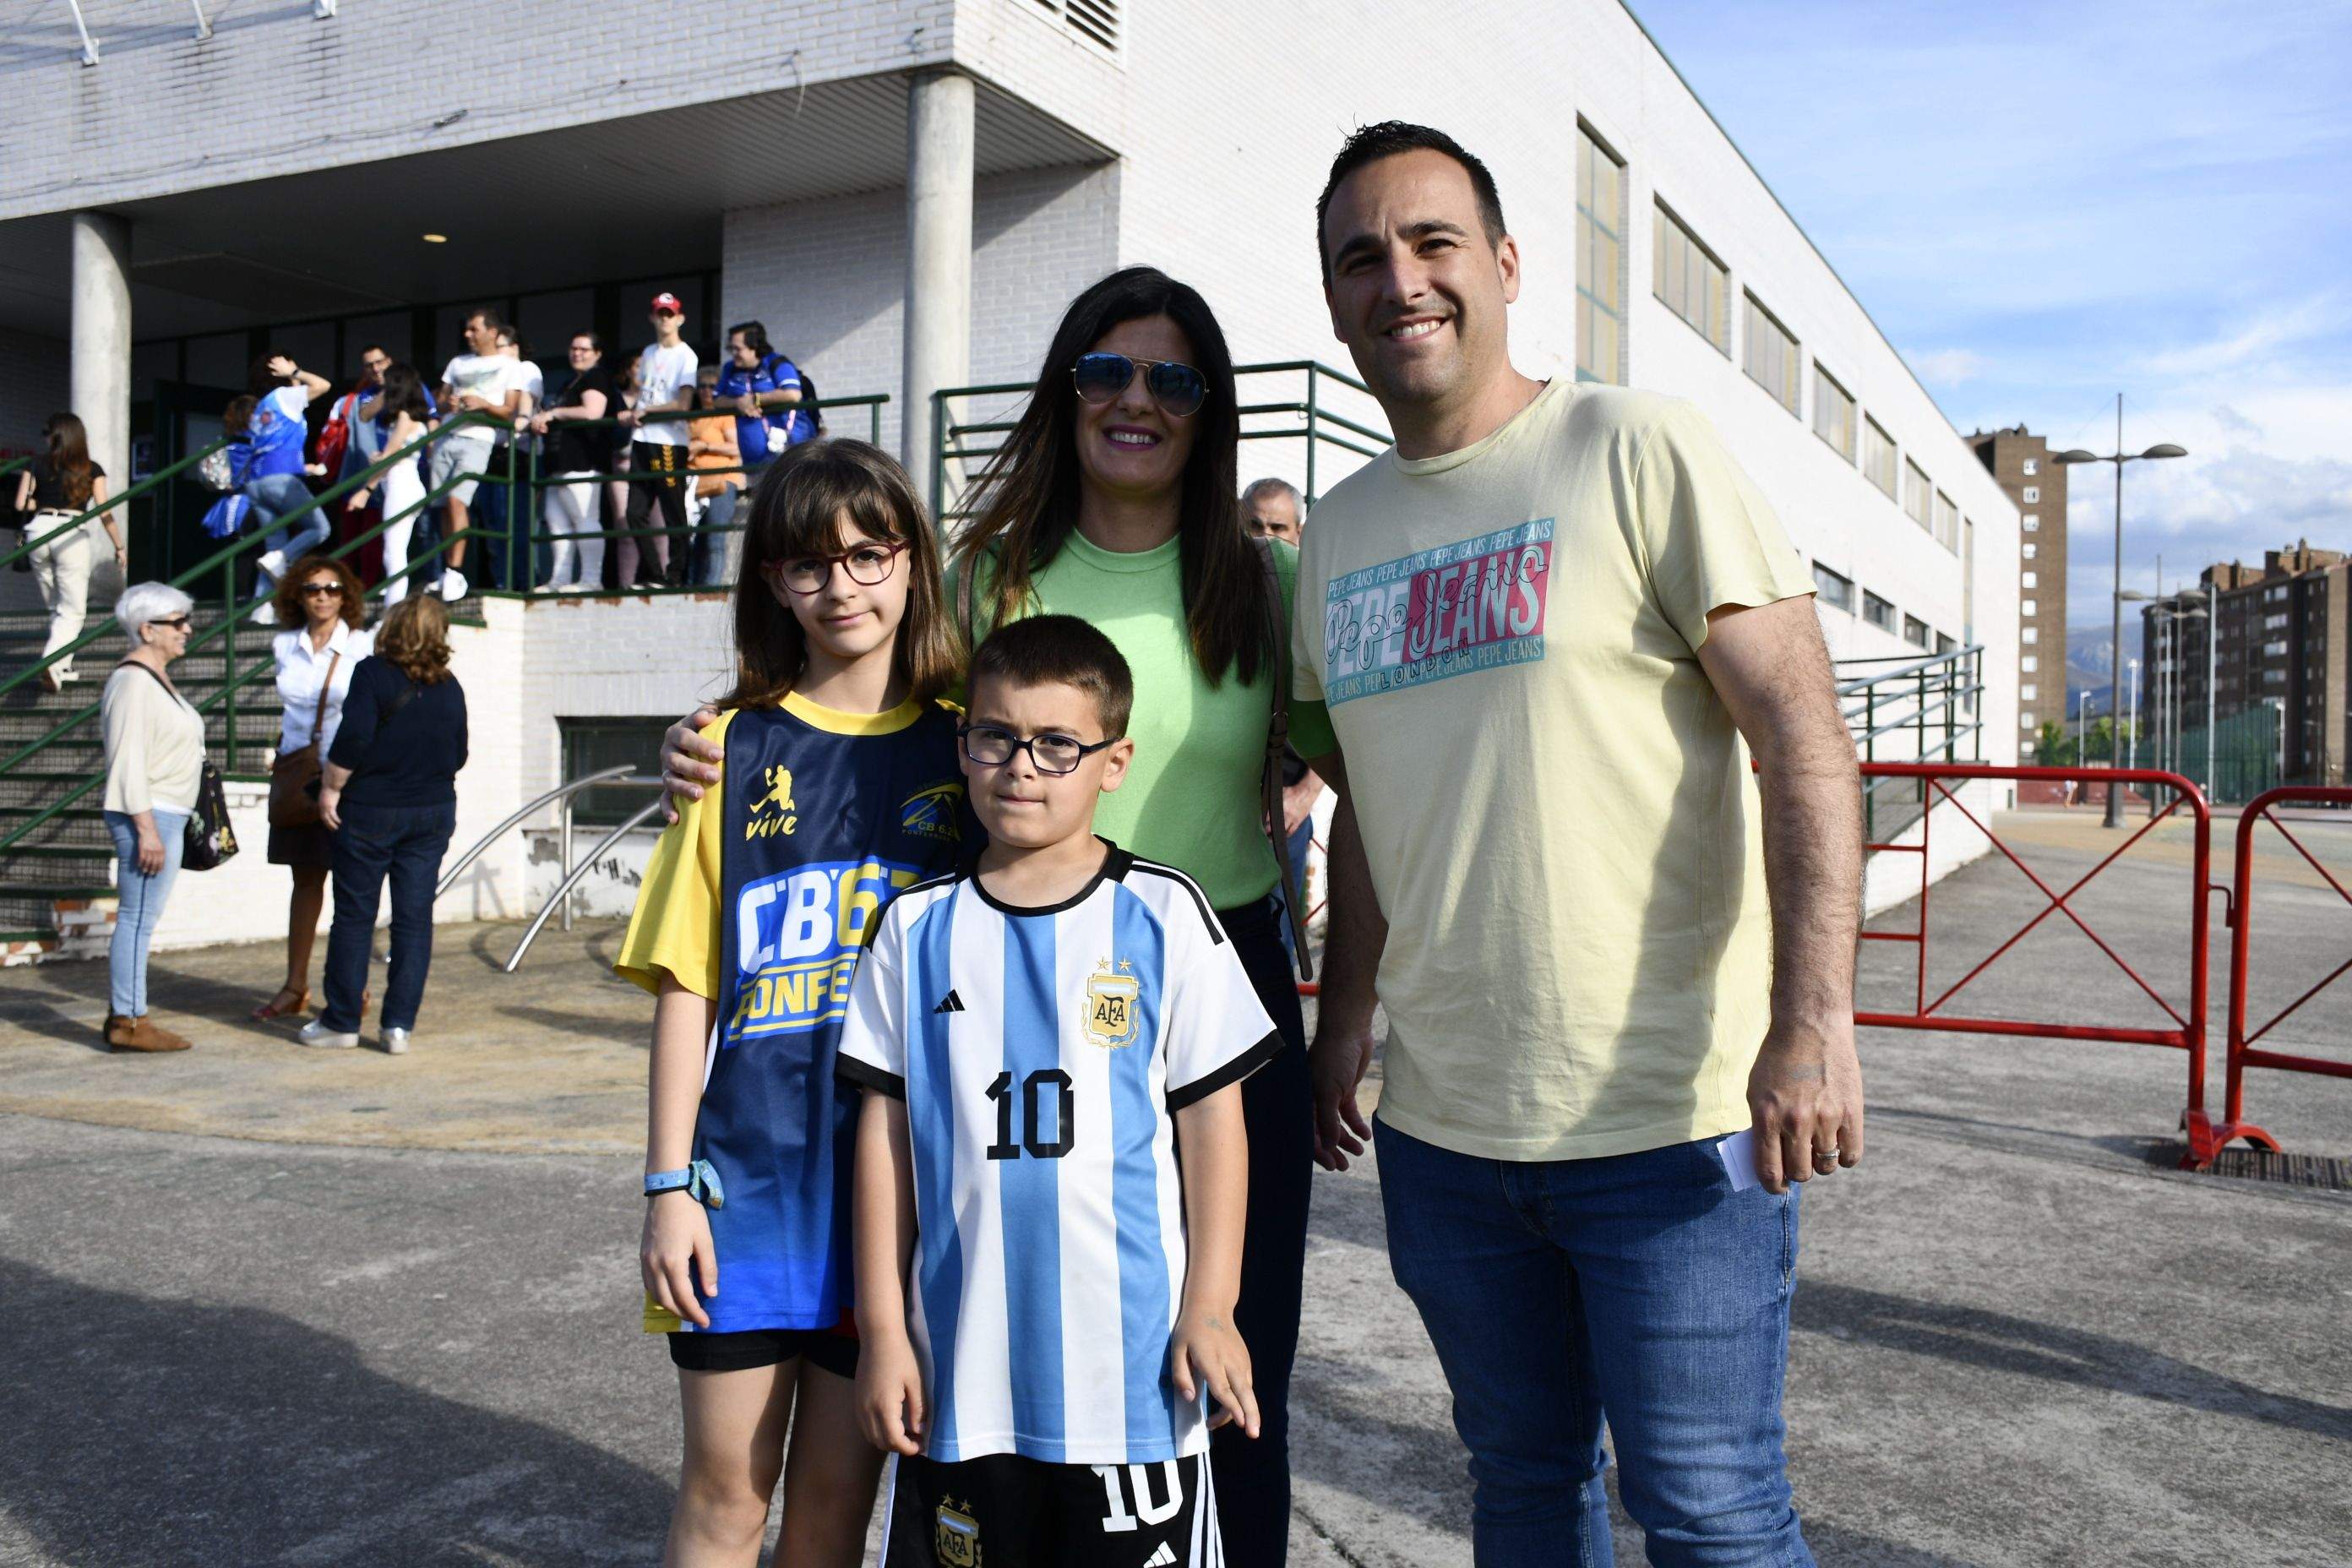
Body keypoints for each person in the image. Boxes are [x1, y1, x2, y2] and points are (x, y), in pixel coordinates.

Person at [664, 266, 1330, 1568]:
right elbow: (858, 695)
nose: (1137, 400)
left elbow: (1360, 770)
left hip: (1212, 985)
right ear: (1065, 389)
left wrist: (1350, 997)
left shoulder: (1263, 582)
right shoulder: (990, 574)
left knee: (1229, 1362)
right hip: (1006, 980)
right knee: (996, 1349)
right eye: (1107, 371)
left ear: (1211, 409)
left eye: (1173, 379)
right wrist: (719, 730)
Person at [1297, 122, 1865, 1566]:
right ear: (1330, 295)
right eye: (1359, 257)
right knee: (1520, 1486)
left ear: (1501, 264)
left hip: (1668, 1126)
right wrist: (1343, 1018)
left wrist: (1810, 1023)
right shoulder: (1337, 535)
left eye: (1430, 243)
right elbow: (1364, 797)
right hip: (1445, 1134)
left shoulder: (1634, 445)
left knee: (1710, 1513)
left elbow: (1799, 738)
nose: (1398, 281)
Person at [840, 612, 1274, 1566]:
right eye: (996, 736)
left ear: (1111, 762)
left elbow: (1213, 1127)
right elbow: (883, 1141)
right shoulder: (913, 930)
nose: (1021, 766)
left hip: (1132, 1391)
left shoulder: (1164, 913)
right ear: (965, 744)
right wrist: (882, 1329)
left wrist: (1212, 1303)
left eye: (1056, 744)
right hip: (960, 1383)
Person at [616, 439, 967, 1567]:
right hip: (750, 1193)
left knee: (830, 1520)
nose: (843, 585)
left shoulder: (973, 750)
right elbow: (688, 985)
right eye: (811, 563)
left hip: (906, 1203)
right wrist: (669, 1188)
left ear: (913, 562)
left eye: (870, 554)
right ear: (772, 581)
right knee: (726, 1504)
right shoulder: (728, 747)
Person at [300, 594, 468, 1054]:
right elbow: (459, 754)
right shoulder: (450, 686)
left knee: (355, 917)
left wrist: (331, 788)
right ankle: (398, 1027)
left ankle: (341, 1021)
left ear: (392, 628)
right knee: (414, 920)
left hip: (372, 810)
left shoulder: (372, 674)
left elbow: (352, 737)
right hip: (432, 812)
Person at [253, 553, 373, 1023]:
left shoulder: (363, 646)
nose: (322, 596)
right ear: (297, 597)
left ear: (346, 596)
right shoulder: (285, 646)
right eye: (311, 589)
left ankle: (352, 988)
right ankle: (294, 984)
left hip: (346, 778)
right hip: (298, 775)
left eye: (332, 588)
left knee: (353, 885)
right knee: (303, 882)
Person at [98, 582, 206, 1054]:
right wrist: (146, 830)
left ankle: (131, 1014)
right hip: (151, 814)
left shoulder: (155, 679)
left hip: (167, 813)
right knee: (137, 917)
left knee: (142, 917)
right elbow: (127, 759)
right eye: (177, 622)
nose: (187, 630)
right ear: (147, 629)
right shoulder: (133, 681)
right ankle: (129, 1020)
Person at [1241, 478, 1320, 956]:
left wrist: (1303, 795)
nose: (1264, 537)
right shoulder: (1215, 599)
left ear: (1299, 533)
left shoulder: (1313, 604)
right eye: (1254, 524)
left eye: (1277, 526)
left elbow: (1342, 712)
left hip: (1283, 815)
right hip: (1221, 812)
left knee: (1277, 955)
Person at [14, 411, 125, 691]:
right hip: (70, 533)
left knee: (56, 605)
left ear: (55, 437)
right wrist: (119, 546)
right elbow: (103, 511)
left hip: (38, 530)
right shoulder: (91, 468)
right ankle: (52, 663)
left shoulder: (35, 464)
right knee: (73, 610)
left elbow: (20, 505)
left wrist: (40, 506)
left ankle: (63, 666)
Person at [433, 306, 521, 602]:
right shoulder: (457, 362)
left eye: (474, 329)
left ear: (492, 332)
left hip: (478, 439)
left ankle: (456, 572)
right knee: (444, 505)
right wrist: (451, 403)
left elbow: (510, 411)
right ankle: (448, 570)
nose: (468, 334)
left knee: (459, 501)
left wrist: (482, 403)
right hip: (447, 436)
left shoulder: (509, 366)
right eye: (467, 329)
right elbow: (440, 402)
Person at [619, 292, 699, 588]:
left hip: (669, 440)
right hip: (643, 437)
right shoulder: (650, 352)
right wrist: (632, 414)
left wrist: (647, 410)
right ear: (652, 317)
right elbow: (645, 394)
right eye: (660, 313)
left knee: (672, 510)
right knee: (634, 512)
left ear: (679, 318)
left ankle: (675, 576)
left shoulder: (686, 355)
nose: (664, 319)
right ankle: (653, 573)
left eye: (670, 314)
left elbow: (683, 403)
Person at [242, 353, 335, 594]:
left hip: (256, 482)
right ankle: (282, 557)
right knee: (320, 529)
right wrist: (295, 373)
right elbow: (323, 386)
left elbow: (272, 448)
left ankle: (260, 611)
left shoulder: (262, 407)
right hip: (281, 480)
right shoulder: (284, 397)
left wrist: (308, 468)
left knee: (274, 551)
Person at [530, 332, 614, 593]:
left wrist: (553, 413)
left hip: (582, 462)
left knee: (585, 521)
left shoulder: (596, 376)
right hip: (558, 465)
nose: (577, 353)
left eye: (584, 349)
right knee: (557, 524)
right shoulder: (571, 381)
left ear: (597, 353)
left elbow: (593, 412)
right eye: (573, 348)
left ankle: (591, 579)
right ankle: (559, 579)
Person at [346, 365, 434, 604]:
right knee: (395, 551)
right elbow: (365, 417)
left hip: (402, 487)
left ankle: (391, 610)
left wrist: (366, 490)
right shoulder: (411, 417)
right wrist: (382, 457)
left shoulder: (405, 417)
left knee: (393, 553)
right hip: (406, 485)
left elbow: (393, 457)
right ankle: (393, 605)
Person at [318, 346, 392, 583]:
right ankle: (352, 590)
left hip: (392, 478)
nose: (375, 369)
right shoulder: (353, 401)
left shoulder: (409, 392)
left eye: (379, 362)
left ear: (390, 361)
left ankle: (369, 587)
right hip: (355, 477)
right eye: (369, 365)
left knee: (378, 541)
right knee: (352, 541)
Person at [683, 365, 741, 587]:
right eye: (702, 386)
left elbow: (736, 448)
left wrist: (704, 445)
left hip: (722, 480)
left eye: (712, 386)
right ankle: (691, 585)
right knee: (693, 539)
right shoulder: (692, 417)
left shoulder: (724, 415)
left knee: (714, 537)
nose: (707, 391)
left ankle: (711, 587)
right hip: (694, 483)